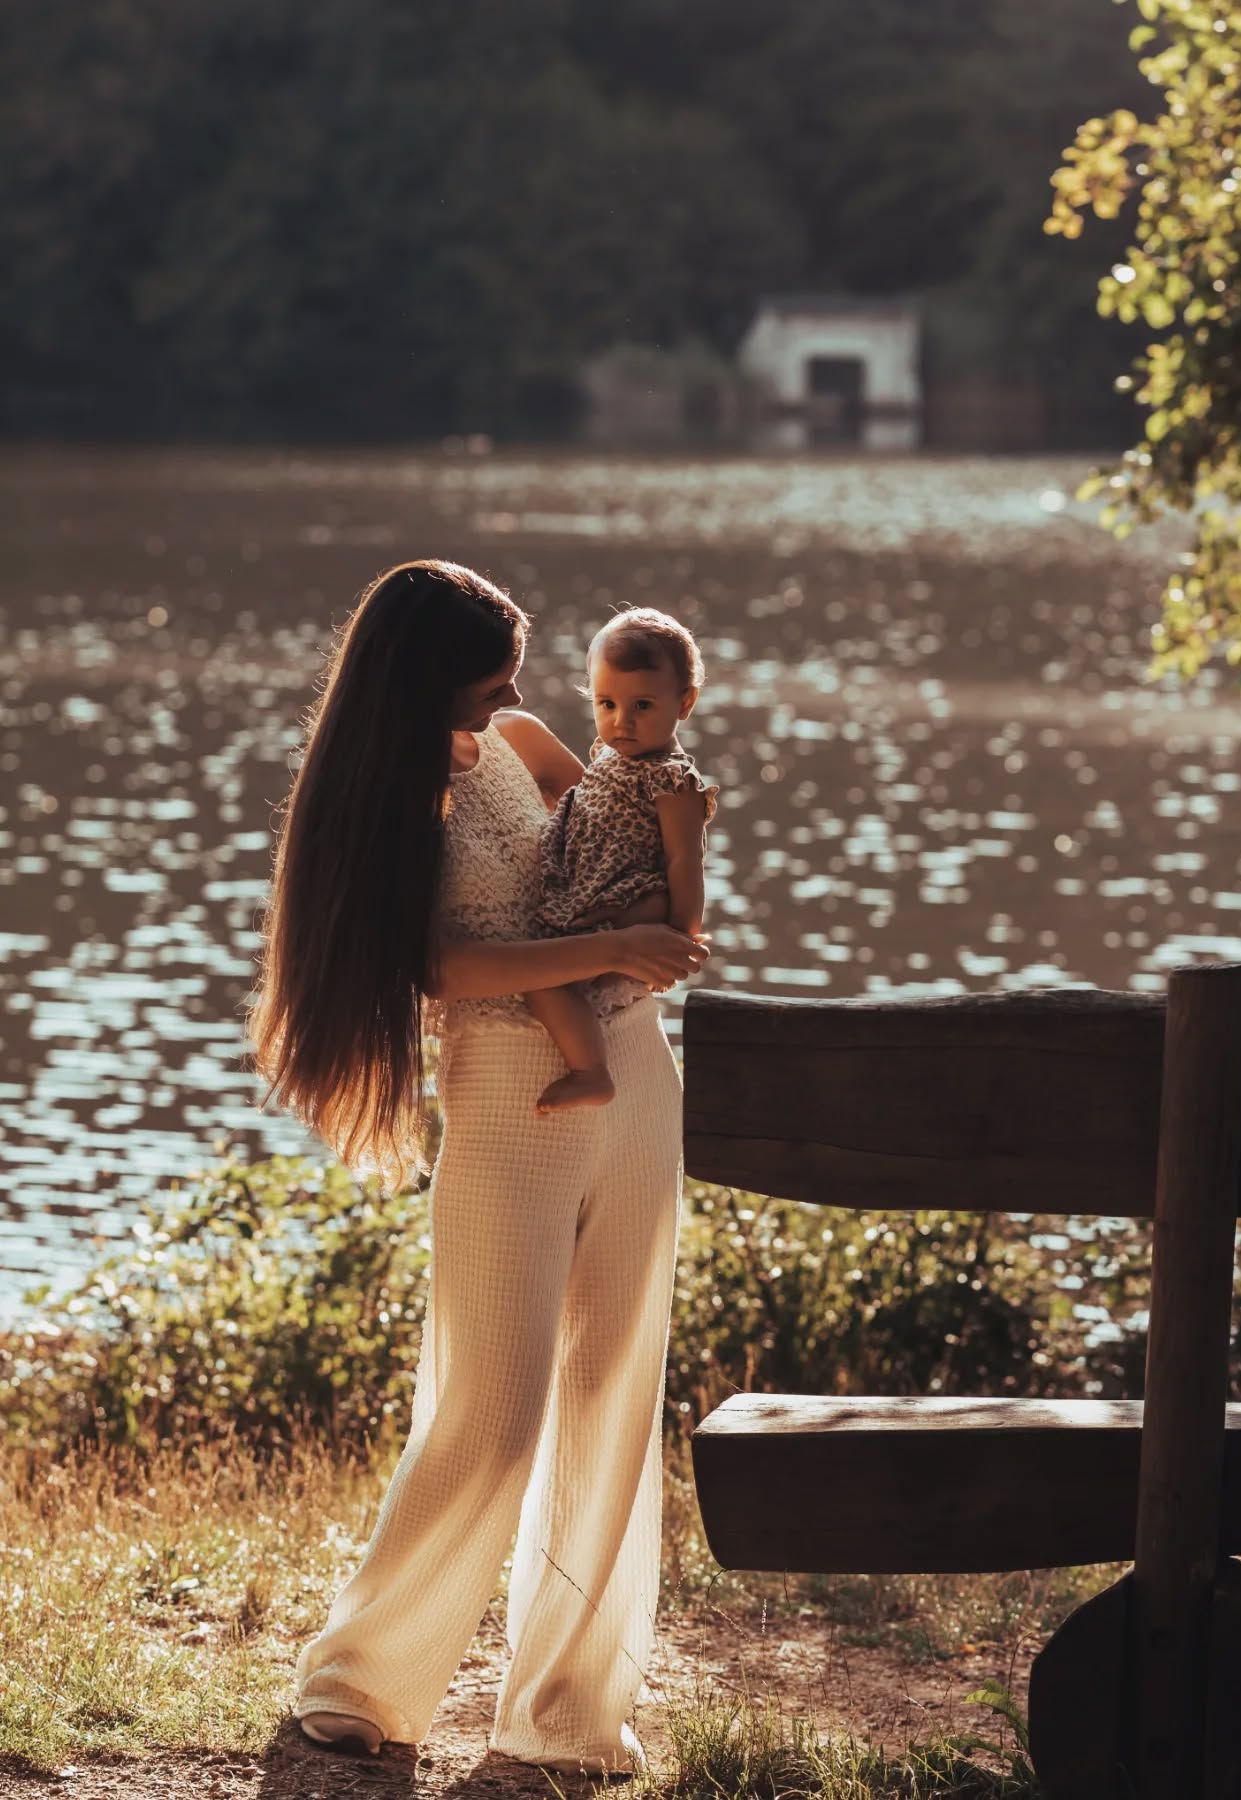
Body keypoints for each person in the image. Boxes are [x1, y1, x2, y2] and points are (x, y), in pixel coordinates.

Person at [249, 559, 708, 1776]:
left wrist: (675, 850)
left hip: (636, 1070)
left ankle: (566, 1713)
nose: (499, 709)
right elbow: (443, 968)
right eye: (480, 691)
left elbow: (606, 800)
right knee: (496, 1408)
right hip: (510, 1092)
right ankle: (360, 1681)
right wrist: (620, 937)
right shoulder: (394, 800)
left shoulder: (506, 734)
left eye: (506, 686)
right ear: (416, 693)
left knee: (614, 1390)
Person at [526, 608, 718, 1115]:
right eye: (606, 703)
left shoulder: (673, 781)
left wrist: (683, 934)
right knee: (543, 970)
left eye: (643, 705)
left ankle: (591, 1071)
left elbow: (684, 862)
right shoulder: (612, 754)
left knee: (546, 975)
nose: (621, 722)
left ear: (685, 703)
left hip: (635, 896)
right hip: (595, 887)